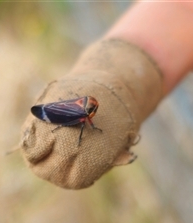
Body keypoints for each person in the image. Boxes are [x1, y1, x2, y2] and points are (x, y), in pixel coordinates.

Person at [20, 1, 193, 189]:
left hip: (70, 111)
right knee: (72, 121)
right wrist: (124, 65)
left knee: (79, 125)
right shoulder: (86, 110)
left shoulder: (87, 113)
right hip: (62, 110)